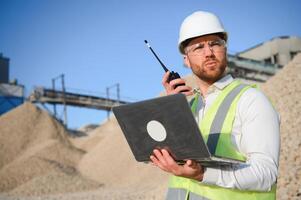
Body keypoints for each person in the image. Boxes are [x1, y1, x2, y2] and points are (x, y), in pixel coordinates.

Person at [150, 11, 280, 200]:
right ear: (186, 60)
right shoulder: (188, 108)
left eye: (215, 44)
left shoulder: (251, 100)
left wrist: (202, 174)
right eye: (198, 48)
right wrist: (171, 108)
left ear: (225, 49)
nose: (209, 53)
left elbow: (266, 174)